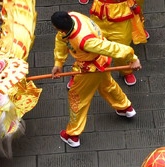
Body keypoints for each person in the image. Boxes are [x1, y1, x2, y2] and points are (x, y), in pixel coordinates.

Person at [49, 9, 138, 147]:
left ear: (58, 27)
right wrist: (58, 63)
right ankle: (124, 107)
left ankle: (73, 134)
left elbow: (111, 48)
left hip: (90, 69)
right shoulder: (74, 16)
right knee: (107, 85)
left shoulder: (84, 41)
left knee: (77, 98)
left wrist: (132, 58)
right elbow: (61, 40)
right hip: (99, 61)